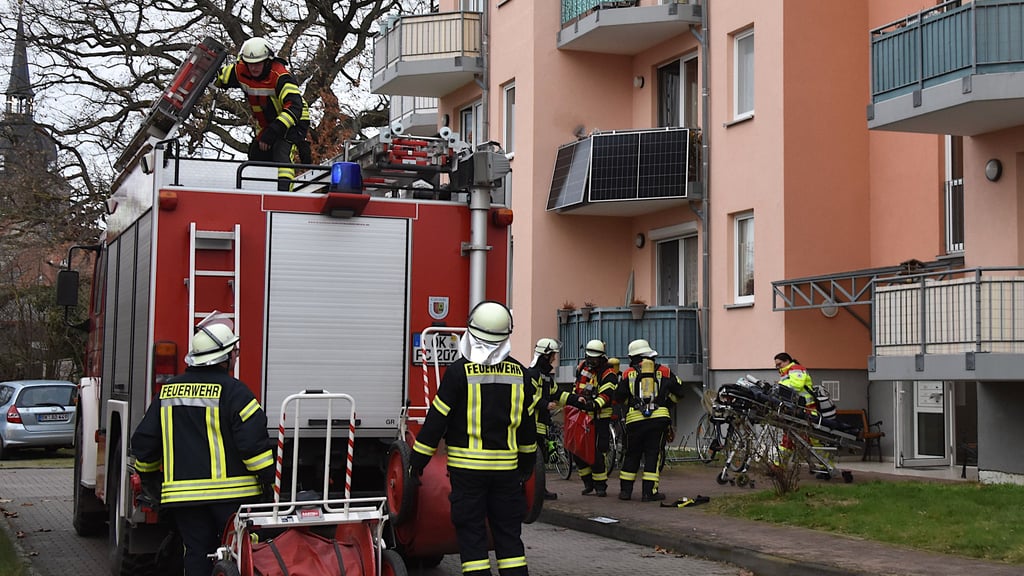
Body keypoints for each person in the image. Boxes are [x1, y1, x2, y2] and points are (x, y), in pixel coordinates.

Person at [130, 312, 275, 576]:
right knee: (239, 553)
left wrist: (150, 479)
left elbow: (144, 443)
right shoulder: (236, 392)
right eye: (235, 352)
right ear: (225, 356)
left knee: (196, 552)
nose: (236, 356)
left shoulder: (168, 392)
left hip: (184, 499)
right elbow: (254, 449)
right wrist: (269, 483)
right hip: (234, 498)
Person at [409, 301, 536, 576]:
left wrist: (416, 461)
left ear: (472, 332)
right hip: (507, 474)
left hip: (468, 474)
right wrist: (527, 465)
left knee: (473, 538)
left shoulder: (457, 372)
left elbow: (436, 421)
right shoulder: (521, 374)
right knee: (509, 540)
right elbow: (527, 428)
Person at [215, 37, 312, 192]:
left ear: (268, 61)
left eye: (258, 63)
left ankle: (284, 197)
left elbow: (294, 107)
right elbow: (220, 77)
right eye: (250, 64)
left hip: (293, 120)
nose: (253, 68)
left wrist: (272, 133)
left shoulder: (281, 76)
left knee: (282, 153)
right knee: (256, 155)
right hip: (267, 123)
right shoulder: (241, 71)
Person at [614, 339, 685, 502]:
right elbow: (680, 392)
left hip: (634, 421)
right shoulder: (665, 372)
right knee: (653, 455)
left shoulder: (628, 373)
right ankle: (649, 492)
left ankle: (626, 492)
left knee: (632, 454)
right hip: (658, 420)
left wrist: (633, 404)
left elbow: (618, 397)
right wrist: (666, 404)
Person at [565, 339, 618, 497]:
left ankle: (600, 485)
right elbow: (576, 387)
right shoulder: (581, 367)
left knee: (597, 452)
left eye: (594, 358)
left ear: (602, 357)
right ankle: (588, 482)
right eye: (589, 357)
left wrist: (592, 405)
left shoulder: (609, 374)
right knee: (577, 450)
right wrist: (576, 401)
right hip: (581, 416)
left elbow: (606, 396)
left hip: (600, 418)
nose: (590, 361)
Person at [526, 337, 562, 500]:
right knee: (533, 460)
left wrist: (577, 400)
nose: (554, 358)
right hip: (531, 424)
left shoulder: (546, 376)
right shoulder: (532, 374)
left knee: (540, 460)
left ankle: (539, 489)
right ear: (545, 356)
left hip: (541, 424)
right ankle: (534, 489)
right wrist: (544, 405)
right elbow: (527, 396)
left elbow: (558, 393)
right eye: (553, 355)